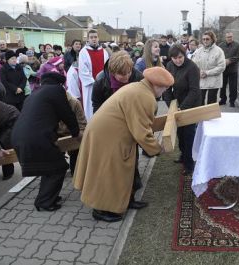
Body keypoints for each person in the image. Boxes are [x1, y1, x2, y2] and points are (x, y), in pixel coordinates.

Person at [73, 67, 174, 222]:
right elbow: (141, 131)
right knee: (108, 172)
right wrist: (157, 148)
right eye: (165, 88)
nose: (165, 91)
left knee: (125, 169)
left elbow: (140, 126)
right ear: (157, 85)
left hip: (110, 133)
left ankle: (127, 200)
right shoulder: (144, 96)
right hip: (107, 136)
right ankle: (100, 209)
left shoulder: (139, 88)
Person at [11, 72, 80, 212]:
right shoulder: (56, 90)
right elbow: (66, 113)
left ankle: (49, 197)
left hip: (19, 136)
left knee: (49, 167)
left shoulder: (35, 93)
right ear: (59, 83)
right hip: (37, 138)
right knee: (58, 168)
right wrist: (76, 133)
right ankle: (45, 202)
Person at [164, 44, 201, 175]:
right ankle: (183, 155)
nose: (178, 60)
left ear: (184, 55)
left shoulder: (192, 68)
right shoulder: (169, 66)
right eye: (174, 58)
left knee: (188, 134)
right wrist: (170, 105)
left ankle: (189, 163)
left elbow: (194, 91)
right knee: (180, 133)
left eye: (180, 57)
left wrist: (183, 108)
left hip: (191, 104)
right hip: (177, 103)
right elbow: (167, 87)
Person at [78, 29, 110, 121]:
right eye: (91, 37)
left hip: (103, 84)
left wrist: (104, 81)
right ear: (88, 39)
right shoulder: (83, 52)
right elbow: (83, 71)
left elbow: (107, 68)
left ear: (98, 38)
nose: (94, 39)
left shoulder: (104, 51)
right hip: (91, 86)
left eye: (95, 37)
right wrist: (94, 82)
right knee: (90, 107)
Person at [192, 31, 226, 105]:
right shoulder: (198, 51)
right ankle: (200, 116)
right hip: (201, 79)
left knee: (211, 104)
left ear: (212, 39)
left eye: (207, 39)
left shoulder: (219, 51)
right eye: (203, 39)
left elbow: (221, 67)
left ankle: (211, 117)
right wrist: (199, 72)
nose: (205, 41)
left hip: (214, 81)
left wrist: (207, 73)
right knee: (200, 102)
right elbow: (193, 64)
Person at [218, 32, 239, 107]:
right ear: (225, 38)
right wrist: (223, 61)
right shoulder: (221, 45)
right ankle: (223, 100)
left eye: (231, 37)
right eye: (228, 37)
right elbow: (218, 56)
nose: (229, 38)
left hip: (233, 69)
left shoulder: (237, 45)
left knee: (233, 86)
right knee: (222, 85)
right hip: (223, 68)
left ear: (232, 37)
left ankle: (232, 101)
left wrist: (230, 60)